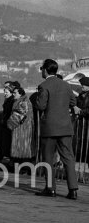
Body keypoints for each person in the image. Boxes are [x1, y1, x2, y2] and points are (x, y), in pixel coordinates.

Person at [33, 58, 78, 199]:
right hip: (65, 127)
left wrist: (35, 99)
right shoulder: (66, 85)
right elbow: (73, 101)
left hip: (50, 128)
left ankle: (50, 188)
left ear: (45, 70)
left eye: (42, 69)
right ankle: (73, 189)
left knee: (48, 158)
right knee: (68, 158)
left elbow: (40, 106)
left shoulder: (44, 85)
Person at [7, 85, 36, 164]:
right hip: (24, 128)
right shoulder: (23, 100)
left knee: (22, 150)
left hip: (22, 130)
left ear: (20, 94)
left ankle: (23, 168)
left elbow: (18, 115)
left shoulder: (23, 102)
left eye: (15, 93)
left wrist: (9, 124)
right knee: (24, 150)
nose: (13, 94)